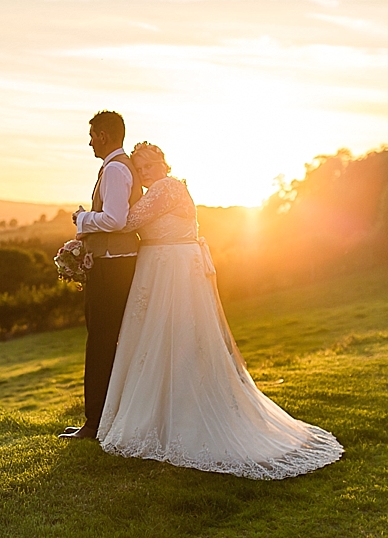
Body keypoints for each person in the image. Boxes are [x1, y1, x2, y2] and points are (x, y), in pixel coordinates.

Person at [91, 142, 343, 478]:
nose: (144, 172)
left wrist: (86, 217)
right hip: (162, 268)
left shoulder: (168, 187)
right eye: (139, 168)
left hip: (171, 272)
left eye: (148, 165)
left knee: (174, 338)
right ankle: (163, 413)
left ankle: (178, 419)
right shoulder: (165, 188)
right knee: (162, 341)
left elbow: (126, 222)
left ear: (162, 164)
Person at [60, 111, 143, 440]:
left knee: (100, 342)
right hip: (118, 263)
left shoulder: (114, 169)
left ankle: (94, 423)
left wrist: (82, 220)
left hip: (111, 266)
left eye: (93, 134)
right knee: (110, 341)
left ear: (105, 136)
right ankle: (106, 417)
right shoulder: (123, 167)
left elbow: (115, 220)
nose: (90, 141)